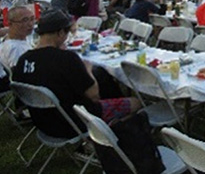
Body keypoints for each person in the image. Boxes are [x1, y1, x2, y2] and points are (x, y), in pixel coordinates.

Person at [13, 9, 141, 139]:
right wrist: (88, 70)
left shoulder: (23, 59)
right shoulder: (67, 59)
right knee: (137, 103)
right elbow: (94, 96)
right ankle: (106, 139)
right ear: (60, 32)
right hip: (75, 122)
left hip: (43, 123)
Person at [0, 6, 35, 92]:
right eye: (25, 20)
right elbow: (19, 76)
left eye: (32, 19)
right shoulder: (15, 48)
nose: (30, 24)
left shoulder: (11, 39)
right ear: (10, 23)